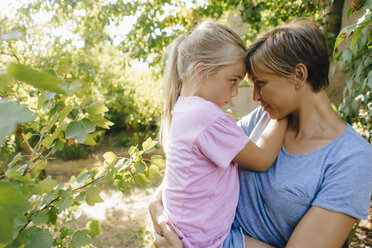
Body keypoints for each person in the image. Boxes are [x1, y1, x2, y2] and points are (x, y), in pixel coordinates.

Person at [149, 19, 372, 248]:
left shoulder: (352, 158)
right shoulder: (264, 118)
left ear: (299, 75)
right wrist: (157, 209)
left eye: (261, 83)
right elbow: (190, 168)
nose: (255, 97)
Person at [156, 20, 288, 248]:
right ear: (201, 71)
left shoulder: (183, 109)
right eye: (233, 81)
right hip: (206, 240)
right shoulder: (206, 116)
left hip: (188, 232)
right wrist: (284, 110)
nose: (236, 92)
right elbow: (262, 159)